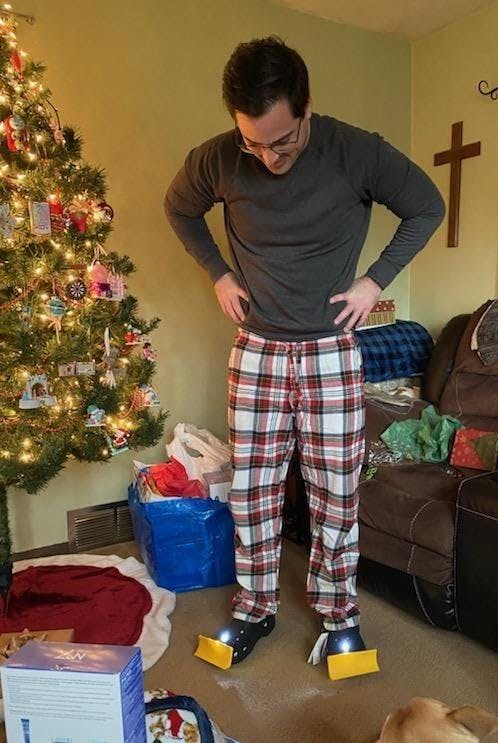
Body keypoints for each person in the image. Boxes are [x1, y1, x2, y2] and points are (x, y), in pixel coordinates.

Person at [165, 36, 444, 676]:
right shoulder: (216, 158)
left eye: (282, 141)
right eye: (254, 144)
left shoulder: (357, 151)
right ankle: (255, 607)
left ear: (306, 107)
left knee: (335, 492)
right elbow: (179, 209)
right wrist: (217, 272)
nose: (269, 157)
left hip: (330, 351)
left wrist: (375, 281)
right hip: (257, 349)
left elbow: (427, 206)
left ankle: (339, 615)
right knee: (254, 490)